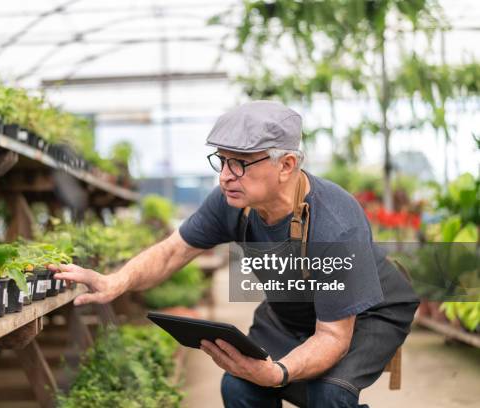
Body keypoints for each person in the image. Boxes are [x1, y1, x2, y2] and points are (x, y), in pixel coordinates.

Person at [50, 101, 419, 408]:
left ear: (287, 165)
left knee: (329, 394)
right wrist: (116, 281)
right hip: (292, 312)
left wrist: (279, 373)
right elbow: (174, 250)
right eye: (221, 161)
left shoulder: (335, 225)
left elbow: (333, 336)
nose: (225, 176)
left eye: (239, 163)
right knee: (240, 386)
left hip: (366, 314)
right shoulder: (233, 202)